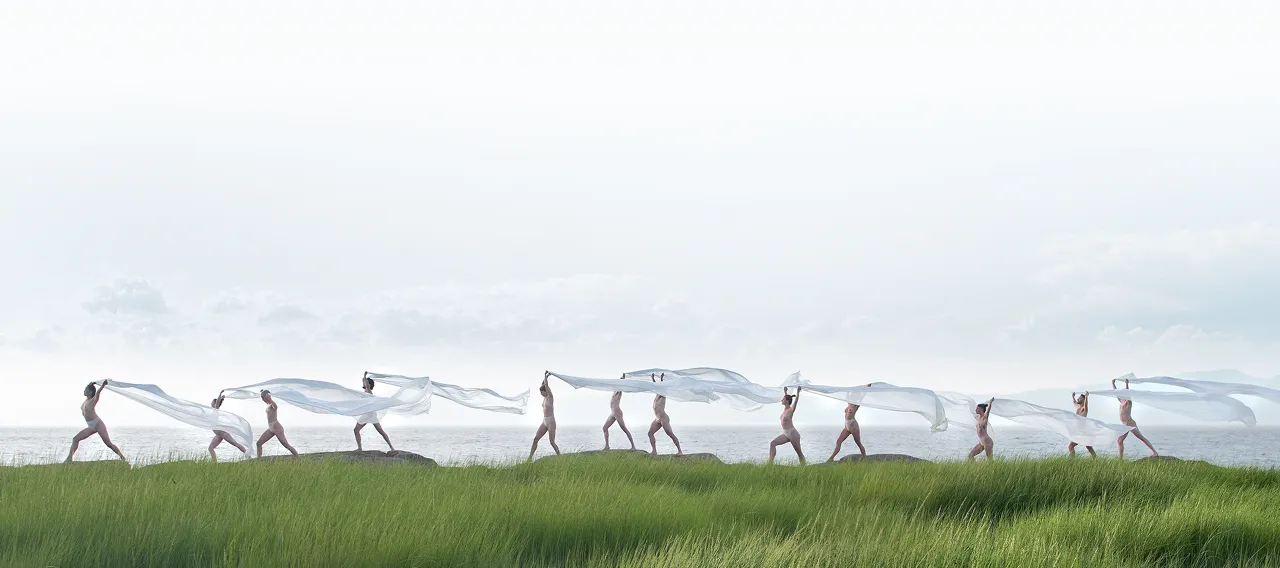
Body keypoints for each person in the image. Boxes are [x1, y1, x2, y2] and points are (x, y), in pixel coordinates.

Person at [65, 380, 127, 463]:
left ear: (90, 392)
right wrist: (90, 384)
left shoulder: (93, 401)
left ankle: (122, 458)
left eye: (86, 390)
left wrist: (102, 386)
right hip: (90, 426)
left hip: (98, 424)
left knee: (108, 443)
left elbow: (97, 393)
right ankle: (69, 459)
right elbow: (91, 390)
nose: (84, 391)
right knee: (75, 439)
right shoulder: (85, 401)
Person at [1113, 377, 1158, 459]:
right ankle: (1120, 459)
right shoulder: (1121, 401)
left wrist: (1126, 384)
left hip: (1130, 423)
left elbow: (1128, 393)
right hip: (1124, 425)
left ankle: (1154, 452)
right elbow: (1116, 394)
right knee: (1119, 441)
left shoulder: (1128, 401)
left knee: (1141, 438)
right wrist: (1113, 384)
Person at [827, 383, 871, 461]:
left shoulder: (856, 405)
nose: (851, 397)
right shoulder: (849, 404)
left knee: (858, 443)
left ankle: (864, 457)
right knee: (838, 441)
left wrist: (866, 388)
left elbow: (862, 397)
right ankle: (831, 458)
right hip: (846, 427)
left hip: (853, 427)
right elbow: (847, 396)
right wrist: (847, 389)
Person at [354, 372, 395, 452]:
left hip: (369, 415)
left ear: (369, 385)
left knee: (379, 431)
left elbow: (365, 383)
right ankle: (360, 448)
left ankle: (392, 448)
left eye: (366, 383)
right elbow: (363, 381)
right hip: (369, 414)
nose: (365, 383)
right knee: (380, 431)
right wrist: (364, 378)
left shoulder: (369, 392)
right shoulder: (366, 391)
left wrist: (365, 376)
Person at [647, 373, 684, 456]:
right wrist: (652, 378)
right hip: (657, 418)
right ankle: (654, 451)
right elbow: (656, 386)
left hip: (663, 417)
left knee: (670, 434)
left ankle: (680, 451)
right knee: (650, 433)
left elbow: (663, 386)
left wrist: (662, 378)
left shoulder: (663, 394)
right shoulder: (656, 395)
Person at [255, 390, 299, 457]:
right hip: (270, 428)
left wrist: (270, 398)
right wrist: (263, 392)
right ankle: (258, 460)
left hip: (277, 427)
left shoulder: (272, 404)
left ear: (268, 397)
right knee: (258, 443)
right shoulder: (268, 405)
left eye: (264, 398)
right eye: (262, 398)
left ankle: (297, 457)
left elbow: (275, 407)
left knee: (286, 445)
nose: (263, 400)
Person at [769, 386, 806, 465]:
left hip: (793, 433)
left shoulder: (790, 410)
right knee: (772, 443)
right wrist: (785, 391)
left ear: (787, 401)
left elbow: (795, 402)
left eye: (783, 399)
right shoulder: (785, 409)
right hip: (786, 434)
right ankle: (769, 463)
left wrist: (798, 392)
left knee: (799, 452)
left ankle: (804, 467)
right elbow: (788, 398)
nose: (781, 400)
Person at [528, 372, 560, 461]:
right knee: (535, 439)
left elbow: (545, 385)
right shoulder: (544, 398)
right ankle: (530, 458)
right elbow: (543, 384)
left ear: (545, 391)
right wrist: (545, 377)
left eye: (541, 392)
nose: (541, 394)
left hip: (551, 422)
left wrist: (545, 376)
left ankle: (560, 457)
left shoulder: (550, 397)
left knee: (552, 442)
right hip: (544, 421)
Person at [208, 391, 248, 461]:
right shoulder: (213, 411)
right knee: (210, 448)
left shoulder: (215, 410)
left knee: (235, 444)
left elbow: (218, 403)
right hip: (218, 434)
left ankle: (248, 455)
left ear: (215, 403)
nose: (211, 403)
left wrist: (220, 394)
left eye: (212, 402)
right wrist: (222, 398)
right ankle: (214, 463)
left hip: (223, 433)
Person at [603, 377, 636, 450]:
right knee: (605, 428)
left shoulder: (619, 392)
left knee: (624, 429)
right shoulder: (614, 391)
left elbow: (622, 385)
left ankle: (633, 446)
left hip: (617, 412)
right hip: (612, 413)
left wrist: (622, 379)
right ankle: (607, 446)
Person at [1068, 391, 1097, 458]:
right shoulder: (1078, 408)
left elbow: (1086, 404)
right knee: (1089, 447)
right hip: (1079, 432)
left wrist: (1086, 397)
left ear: (1083, 400)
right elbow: (1074, 402)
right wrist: (1073, 397)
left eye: (1079, 398)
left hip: (1083, 433)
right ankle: (1095, 459)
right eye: (1078, 398)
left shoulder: (1084, 409)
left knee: (1071, 446)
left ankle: (1072, 461)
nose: (1078, 399)